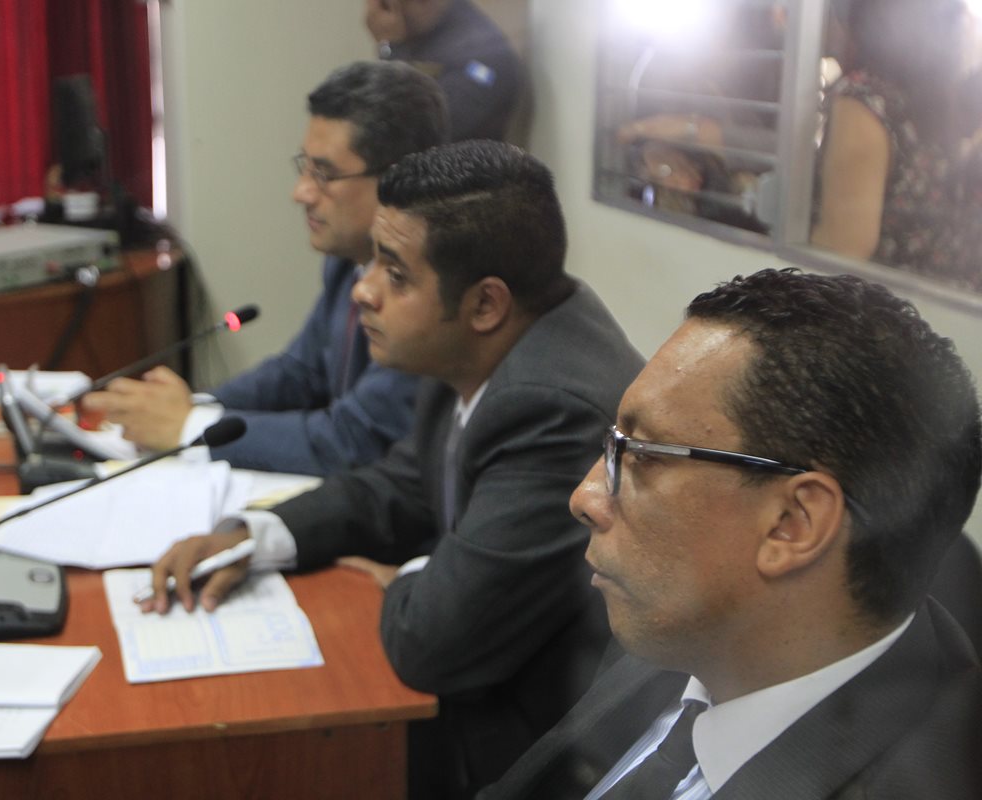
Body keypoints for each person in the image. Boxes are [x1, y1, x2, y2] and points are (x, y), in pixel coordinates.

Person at [141, 140, 645, 798]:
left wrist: (410, 574)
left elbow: (434, 641)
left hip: (525, 749)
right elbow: (402, 484)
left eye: (395, 274)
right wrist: (256, 535)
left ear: (485, 304)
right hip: (472, 692)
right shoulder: (475, 342)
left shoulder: (553, 409)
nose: (363, 291)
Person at [481, 268, 982, 799]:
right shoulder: (695, 630)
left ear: (792, 524)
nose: (585, 498)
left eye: (644, 455)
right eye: (614, 444)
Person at [82, 61, 448, 476]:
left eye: (324, 174)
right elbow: (299, 372)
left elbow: (352, 441)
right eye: (305, 167)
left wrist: (190, 426)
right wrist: (194, 409)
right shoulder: (347, 262)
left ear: (398, 178)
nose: (301, 192)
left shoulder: (432, 293)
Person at [811, 0, 973, 284]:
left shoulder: (865, 99)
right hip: (946, 313)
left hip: (881, 315)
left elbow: (843, 248)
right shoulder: (941, 101)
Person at [365, 0, 521, 141]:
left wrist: (392, 47)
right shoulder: (419, 33)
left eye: (385, 5)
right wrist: (389, 45)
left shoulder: (482, 51)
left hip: (461, 168)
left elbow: (424, 130)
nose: (378, 14)